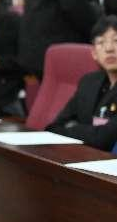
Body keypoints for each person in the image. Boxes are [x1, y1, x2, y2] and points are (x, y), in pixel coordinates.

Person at [47, 16, 117, 151]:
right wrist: (91, 132)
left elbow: (104, 139)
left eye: (116, 41)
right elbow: (53, 128)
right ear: (94, 53)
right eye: (101, 42)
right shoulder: (89, 82)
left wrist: (73, 128)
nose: (109, 48)